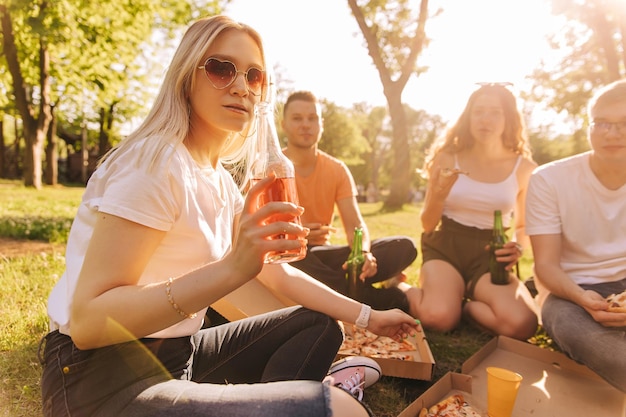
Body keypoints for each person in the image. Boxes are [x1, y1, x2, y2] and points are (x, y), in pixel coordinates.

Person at [38, 16, 420, 417]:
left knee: (318, 325)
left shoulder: (218, 180)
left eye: (254, 76)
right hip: (98, 382)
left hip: (176, 357)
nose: (241, 85)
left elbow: (277, 273)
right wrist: (232, 268)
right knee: (343, 411)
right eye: (222, 69)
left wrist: (369, 316)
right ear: (187, 76)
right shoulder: (152, 164)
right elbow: (87, 323)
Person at [411, 83, 538, 340]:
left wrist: (518, 246)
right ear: (468, 116)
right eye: (478, 111)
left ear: (508, 118)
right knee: (438, 318)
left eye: (495, 112)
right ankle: (400, 287)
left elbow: (524, 226)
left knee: (522, 324)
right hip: (446, 246)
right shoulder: (448, 158)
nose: (485, 119)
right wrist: (439, 194)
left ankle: (467, 308)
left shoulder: (524, 168)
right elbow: (427, 224)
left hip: (491, 254)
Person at [525, 79, 626, 393]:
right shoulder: (549, 180)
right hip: (573, 293)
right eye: (602, 123)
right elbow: (546, 266)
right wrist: (582, 297)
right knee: (570, 326)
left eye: (623, 123)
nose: (611, 132)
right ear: (589, 127)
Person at [281, 91, 419, 315]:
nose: (305, 125)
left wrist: (363, 253)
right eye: (297, 118)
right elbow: (261, 232)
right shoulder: (271, 166)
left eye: (312, 118)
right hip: (292, 256)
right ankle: (361, 295)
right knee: (291, 261)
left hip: (326, 258)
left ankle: (338, 292)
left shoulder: (336, 169)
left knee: (404, 246)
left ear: (321, 124)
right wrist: (297, 234)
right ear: (284, 124)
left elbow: (355, 224)